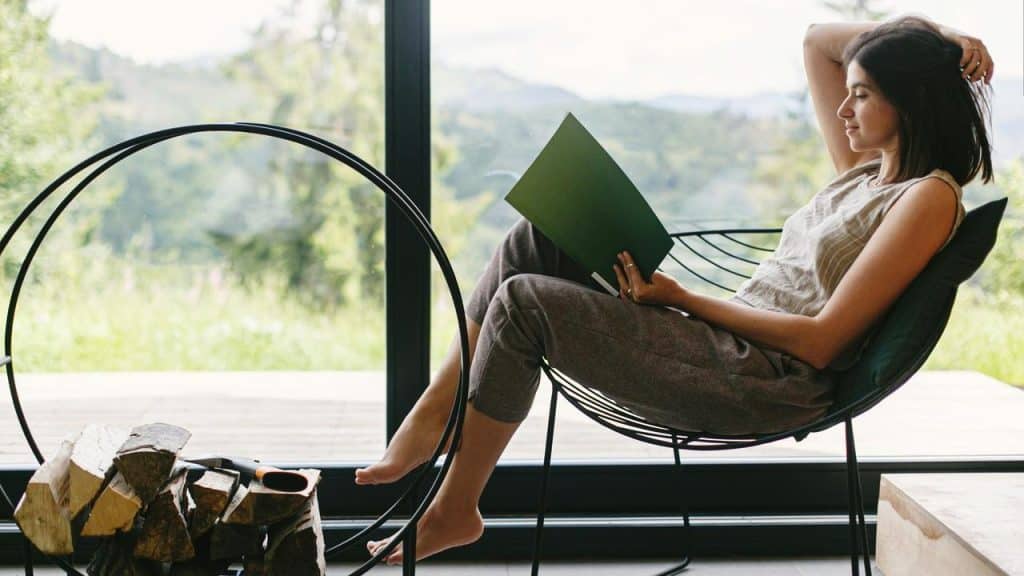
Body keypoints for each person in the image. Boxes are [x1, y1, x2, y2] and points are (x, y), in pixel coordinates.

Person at [356, 15, 995, 564]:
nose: (841, 108)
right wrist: (940, 39)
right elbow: (815, 41)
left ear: (909, 103)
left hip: (765, 377)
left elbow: (824, 343)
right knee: (537, 235)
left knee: (524, 302)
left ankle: (457, 507)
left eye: (862, 95)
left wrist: (684, 298)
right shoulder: (864, 175)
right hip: (721, 341)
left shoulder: (928, 198)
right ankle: (437, 410)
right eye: (848, 92)